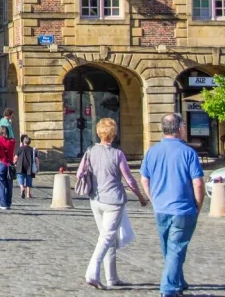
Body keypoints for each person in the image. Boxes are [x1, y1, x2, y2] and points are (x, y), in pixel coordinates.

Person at [79, 118, 148, 290]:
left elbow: (80, 172)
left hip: (96, 199)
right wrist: (140, 197)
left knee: (106, 236)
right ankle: (92, 272)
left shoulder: (89, 151)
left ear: (98, 133)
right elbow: (129, 180)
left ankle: (112, 277)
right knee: (107, 237)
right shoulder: (118, 154)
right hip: (114, 201)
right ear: (114, 134)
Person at [140, 114, 205, 297]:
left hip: (161, 208)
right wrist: (198, 205)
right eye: (183, 125)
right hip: (182, 208)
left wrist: (153, 198)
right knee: (176, 247)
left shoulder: (152, 151)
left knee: (170, 248)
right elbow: (198, 183)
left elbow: (144, 179)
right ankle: (168, 289)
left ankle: (178, 281)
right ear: (179, 129)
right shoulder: (188, 152)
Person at [0, 125, 16, 210]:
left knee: (2, 184)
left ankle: (3, 203)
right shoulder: (12, 141)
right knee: (9, 185)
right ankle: (8, 203)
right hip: (10, 165)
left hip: (1, 163)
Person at [14, 134, 37, 199]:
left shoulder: (20, 149)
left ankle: (22, 188)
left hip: (20, 165)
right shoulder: (32, 150)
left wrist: (14, 163)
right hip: (29, 166)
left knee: (20, 178)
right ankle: (28, 194)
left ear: (23, 142)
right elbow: (36, 159)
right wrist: (37, 167)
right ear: (29, 142)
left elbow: (15, 157)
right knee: (29, 179)